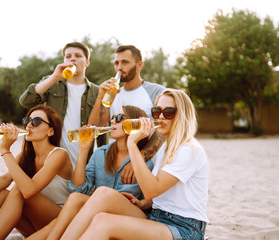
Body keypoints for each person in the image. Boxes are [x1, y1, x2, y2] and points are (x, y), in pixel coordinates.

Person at [59, 89, 209, 240]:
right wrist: (143, 203)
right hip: (156, 216)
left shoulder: (188, 150)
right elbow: (164, 192)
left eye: (168, 112)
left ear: (182, 115)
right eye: (157, 112)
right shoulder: (165, 147)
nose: (161, 117)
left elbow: (152, 189)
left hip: (183, 228)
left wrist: (132, 143)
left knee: (104, 223)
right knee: (103, 195)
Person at [26, 105, 154, 239]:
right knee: (75, 199)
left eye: (120, 118)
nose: (113, 121)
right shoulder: (100, 153)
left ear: (134, 124)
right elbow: (78, 189)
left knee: (68, 217)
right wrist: (83, 150)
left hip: (131, 217)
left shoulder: (144, 161)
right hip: (99, 214)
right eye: (113, 118)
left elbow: (153, 198)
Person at [0, 105, 73, 240]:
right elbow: (5, 179)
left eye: (36, 122)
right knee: (3, 194)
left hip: (58, 222)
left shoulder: (59, 154)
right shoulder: (26, 156)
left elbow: (29, 190)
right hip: (32, 225)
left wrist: (5, 149)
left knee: (19, 189)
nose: (29, 125)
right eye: (27, 120)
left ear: (51, 131)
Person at [19, 42, 105, 169]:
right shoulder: (52, 82)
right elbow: (26, 101)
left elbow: (101, 132)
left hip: (82, 160)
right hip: (49, 157)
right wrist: (54, 77)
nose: (72, 59)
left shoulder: (97, 91)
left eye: (78, 56)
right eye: (68, 56)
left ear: (87, 62)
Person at [88, 45, 165, 183]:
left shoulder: (156, 92)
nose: (119, 67)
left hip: (150, 164)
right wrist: (100, 97)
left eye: (125, 62)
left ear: (139, 65)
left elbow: (164, 129)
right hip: (118, 164)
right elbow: (94, 126)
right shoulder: (112, 95)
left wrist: (139, 158)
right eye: (116, 63)